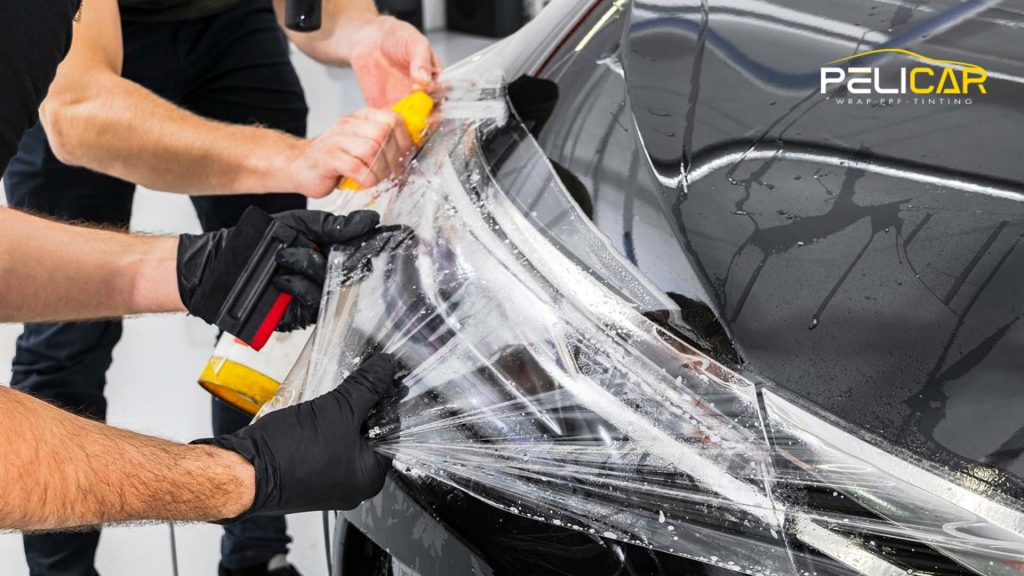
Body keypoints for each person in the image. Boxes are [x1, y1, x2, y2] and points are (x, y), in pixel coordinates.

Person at [5, 0, 438, 574]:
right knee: (66, 343)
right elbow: (80, 112)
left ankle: (254, 558)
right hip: (89, 54)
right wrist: (242, 475)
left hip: (229, 25)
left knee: (272, 298)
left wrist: (194, 269)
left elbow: (312, 11)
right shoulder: (31, 30)